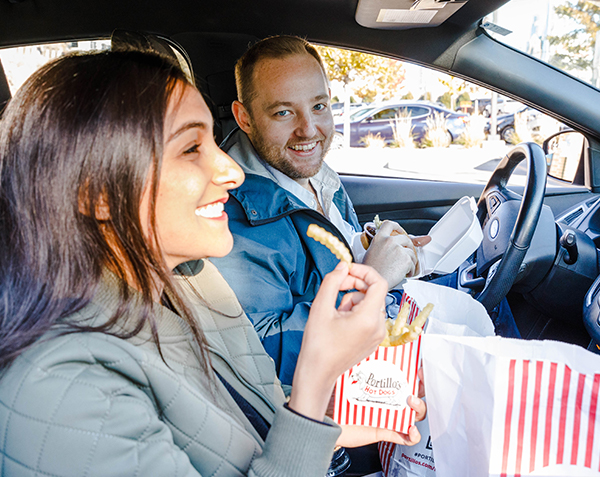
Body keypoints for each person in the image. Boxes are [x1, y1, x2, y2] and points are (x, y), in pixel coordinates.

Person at [0, 49, 425, 476]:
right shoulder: (63, 391)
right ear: (97, 195)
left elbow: (253, 402)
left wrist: (338, 417)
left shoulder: (191, 278)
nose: (232, 171)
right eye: (191, 148)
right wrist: (314, 386)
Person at [211, 36, 431, 386]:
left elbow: (324, 257)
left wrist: (369, 246)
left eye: (319, 106)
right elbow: (269, 358)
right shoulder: (229, 219)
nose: (309, 130)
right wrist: (372, 282)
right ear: (245, 118)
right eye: (283, 112)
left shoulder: (309, 170)